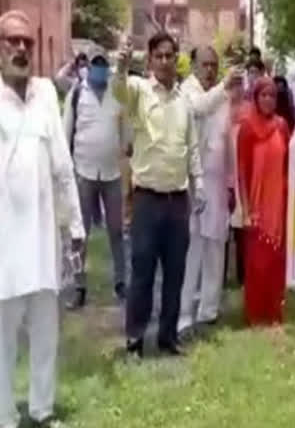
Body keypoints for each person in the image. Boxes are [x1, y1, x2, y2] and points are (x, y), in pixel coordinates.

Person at [0, 0, 85, 428]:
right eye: (11, 40)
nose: (20, 47)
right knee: (2, 342)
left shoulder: (47, 93)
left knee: (46, 334)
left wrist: (76, 225)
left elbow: (63, 166)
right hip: (4, 245)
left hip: (42, 237)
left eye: (26, 41)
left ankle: (42, 409)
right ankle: (5, 417)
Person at [114, 33, 216, 358]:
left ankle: (168, 337)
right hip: (147, 199)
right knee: (142, 272)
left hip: (177, 202)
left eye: (170, 55)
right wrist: (122, 64)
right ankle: (134, 339)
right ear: (150, 60)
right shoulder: (139, 92)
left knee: (175, 273)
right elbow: (118, 91)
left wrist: (198, 184)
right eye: (158, 56)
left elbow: (192, 148)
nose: (165, 61)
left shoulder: (183, 102)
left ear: (177, 60)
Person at [178, 46, 240, 334]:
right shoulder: (185, 91)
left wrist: (231, 183)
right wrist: (223, 87)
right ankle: (184, 310)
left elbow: (228, 142)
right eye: (205, 64)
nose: (210, 70)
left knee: (216, 244)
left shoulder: (222, 96)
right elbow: (198, 108)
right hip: (192, 180)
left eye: (214, 65)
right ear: (193, 66)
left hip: (217, 182)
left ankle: (209, 309)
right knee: (191, 247)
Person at [63, 48, 129, 309]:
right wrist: (65, 168)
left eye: (104, 63)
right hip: (83, 173)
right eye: (96, 64)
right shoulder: (77, 93)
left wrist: (128, 145)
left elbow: (125, 127)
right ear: (88, 66)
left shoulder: (116, 92)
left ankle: (121, 282)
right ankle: (78, 286)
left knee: (117, 231)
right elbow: (65, 131)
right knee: (79, 234)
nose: (100, 68)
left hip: (111, 173)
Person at [237, 77, 291, 326]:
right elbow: (242, 170)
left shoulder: (282, 126)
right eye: (263, 96)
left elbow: (289, 165)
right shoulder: (248, 128)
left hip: (278, 204)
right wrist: (246, 210)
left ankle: (274, 313)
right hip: (256, 205)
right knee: (257, 262)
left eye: (272, 96)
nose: (268, 100)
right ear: (256, 98)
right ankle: (255, 314)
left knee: (276, 260)